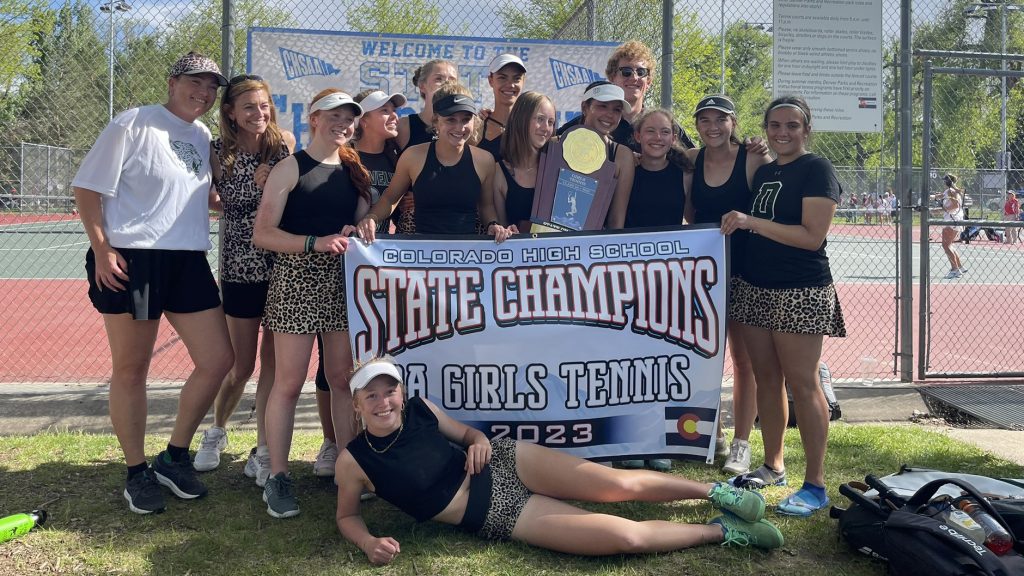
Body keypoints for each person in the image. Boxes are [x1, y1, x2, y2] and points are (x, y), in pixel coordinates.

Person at [335, 357, 784, 565]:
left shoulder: (420, 409)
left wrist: (476, 442)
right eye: (370, 395)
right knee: (626, 539)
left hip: (507, 462)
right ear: (356, 404)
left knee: (617, 485)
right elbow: (347, 515)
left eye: (388, 390)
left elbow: (469, 433)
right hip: (491, 513)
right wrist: (366, 542)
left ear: (400, 390)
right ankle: (723, 530)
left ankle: (717, 492)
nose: (383, 401)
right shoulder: (354, 461)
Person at [70, 51, 234, 515]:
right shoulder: (133, 123)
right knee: (132, 368)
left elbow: (196, 195)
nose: (203, 93)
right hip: (132, 259)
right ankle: (136, 470)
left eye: (210, 87)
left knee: (218, 358)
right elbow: (87, 188)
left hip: (187, 259)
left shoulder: (202, 136)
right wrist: (102, 248)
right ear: (172, 81)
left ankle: (174, 456)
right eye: (195, 83)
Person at [720, 96, 846, 517]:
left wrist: (750, 222)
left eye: (791, 126)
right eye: (775, 125)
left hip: (799, 289)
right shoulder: (769, 169)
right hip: (755, 285)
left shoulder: (817, 169)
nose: (782, 133)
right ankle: (774, 464)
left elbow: (811, 236)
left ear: (806, 129)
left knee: (803, 381)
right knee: (766, 377)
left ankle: (815, 483)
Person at [252, 89, 369, 518]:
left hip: (340, 283)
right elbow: (262, 233)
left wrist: (363, 225)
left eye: (350, 117)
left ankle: (351, 466)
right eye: (335, 116)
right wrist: (313, 244)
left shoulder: (355, 169)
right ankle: (278, 477)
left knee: (341, 379)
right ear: (315, 119)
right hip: (296, 281)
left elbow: (357, 224)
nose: (344, 123)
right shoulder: (290, 167)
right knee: (288, 382)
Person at [193, 74, 296, 482]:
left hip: (282, 265)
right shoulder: (217, 152)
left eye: (264, 104)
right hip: (240, 266)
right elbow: (212, 197)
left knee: (275, 362)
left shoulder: (284, 144)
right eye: (249, 106)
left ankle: (265, 448)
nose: (259, 113)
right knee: (240, 364)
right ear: (231, 112)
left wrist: (277, 178)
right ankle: (216, 430)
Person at [683, 95, 772, 476]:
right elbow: (687, 212)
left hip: (746, 267)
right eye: (705, 120)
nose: (713, 126)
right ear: (698, 125)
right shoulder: (690, 160)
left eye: (721, 119)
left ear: (733, 122)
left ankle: (742, 444)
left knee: (744, 360)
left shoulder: (753, 158)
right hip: (705, 269)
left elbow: (773, 207)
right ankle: (710, 432)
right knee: (703, 354)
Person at [355, 82, 514, 243]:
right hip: (422, 255)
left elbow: (486, 207)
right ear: (436, 121)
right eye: (451, 120)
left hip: (467, 255)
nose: (459, 128)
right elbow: (390, 199)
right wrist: (372, 218)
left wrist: (493, 224)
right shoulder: (413, 156)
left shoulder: (484, 160)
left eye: (465, 120)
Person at [557, 40, 695, 151]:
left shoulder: (663, 125)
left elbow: (692, 159)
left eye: (641, 72)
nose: (634, 78)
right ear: (612, 77)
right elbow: (550, 144)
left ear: (649, 82)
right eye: (626, 72)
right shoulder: (593, 121)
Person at [573, 81, 635, 229]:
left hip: (597, 246)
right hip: (553, 243)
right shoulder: (556, 144)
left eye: (617, 110)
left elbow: (616, 220)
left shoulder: (622, 156)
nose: (610, 115)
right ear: (585, 107)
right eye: (603, 106)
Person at [492, 91, 555, 233]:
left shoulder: (558, 167)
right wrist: (507, 233)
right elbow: (501, 229)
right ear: (521, 119)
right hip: (519, 253)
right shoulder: (499, 171)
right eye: (540, 119)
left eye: (550, 122)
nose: (546, 128)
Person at [396, 59, 458, 150]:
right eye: (438, 79)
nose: (447, 84)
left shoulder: (465, 127)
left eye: (452, 80)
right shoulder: (403, 127)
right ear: (422, 86)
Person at [477, 54, 527, 163]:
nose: (510, 85)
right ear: (491, 80)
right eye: (502, 78)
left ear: (524, 81)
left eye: (516, 78)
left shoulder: (529, 127)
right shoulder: (476, 127)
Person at [940, 174, 966, 279]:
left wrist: (944, 208)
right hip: (954, 218)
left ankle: (955, 269)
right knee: (949, 244)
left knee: (946, 245)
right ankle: (959, 266)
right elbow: (943, 196)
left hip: (952, 219)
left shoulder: (951, 191)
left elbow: (955, 205)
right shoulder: (952, 191)